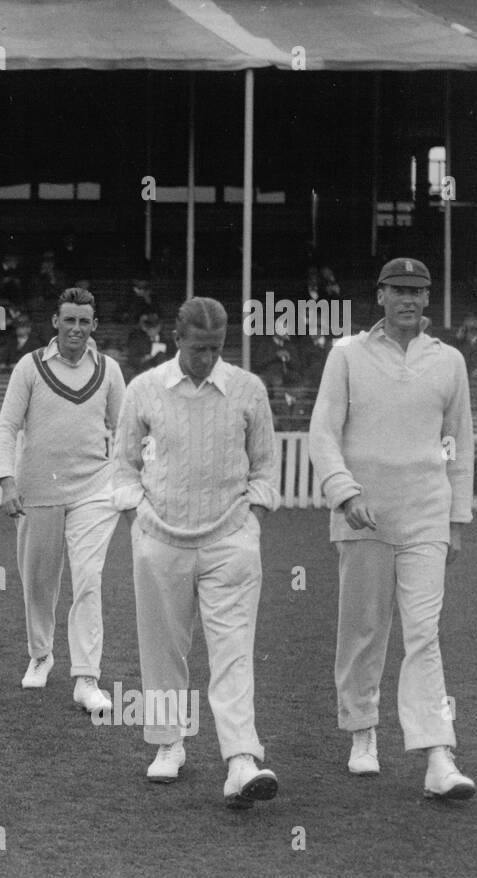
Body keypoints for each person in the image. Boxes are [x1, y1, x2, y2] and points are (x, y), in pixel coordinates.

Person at [307, 258, 476, 801]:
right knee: (363, 628)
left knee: (424, 633)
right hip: (363, 516)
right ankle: (362, 731)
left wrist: (454, 521)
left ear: (429, 300)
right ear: (379, 295)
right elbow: (323, 431)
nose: (409, 299)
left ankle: (437, 754)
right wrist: (345, 492)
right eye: (399, 290)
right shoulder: (347, 355)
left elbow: (457, 445)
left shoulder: (448, 362)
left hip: (425, 515)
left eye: (418, 292)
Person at [112, 297, 281, 808]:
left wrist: (252, 519)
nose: (207, 358)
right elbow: (122, 465)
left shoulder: (248, 389)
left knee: (233, 650)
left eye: (216, 349)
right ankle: (169, 744)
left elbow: (265, 465)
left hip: (230, 541)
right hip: (160, 539)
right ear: (177, 337)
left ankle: (240, 760)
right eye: (198, 347)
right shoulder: (144, 389)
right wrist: (137, 514)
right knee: (163, 646)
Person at [0, 288, 124, 710]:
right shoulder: (29, 367)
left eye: (84, 322)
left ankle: (87, 678)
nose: (76, 329)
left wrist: (128, 481)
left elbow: (126, 431)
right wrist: (5, 480)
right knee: (38, 581)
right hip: (39, 490)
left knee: (88, 579)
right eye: (69, 320)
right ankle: (40, 655)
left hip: (94, 490)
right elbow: (7, 427)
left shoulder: (109, 370)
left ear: (94, 326)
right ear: (56, 323)